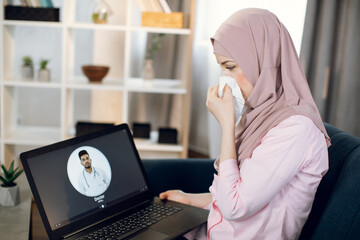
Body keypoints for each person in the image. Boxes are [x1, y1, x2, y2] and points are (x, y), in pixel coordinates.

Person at [160, 8, 331, 240]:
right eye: (221, 67)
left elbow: (236, 206)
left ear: (263, 61)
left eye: (230, 67)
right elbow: (236, 193)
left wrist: (227, 125)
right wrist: (190, 199)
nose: (224, 80)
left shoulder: (295, 128)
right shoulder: (260, 113)